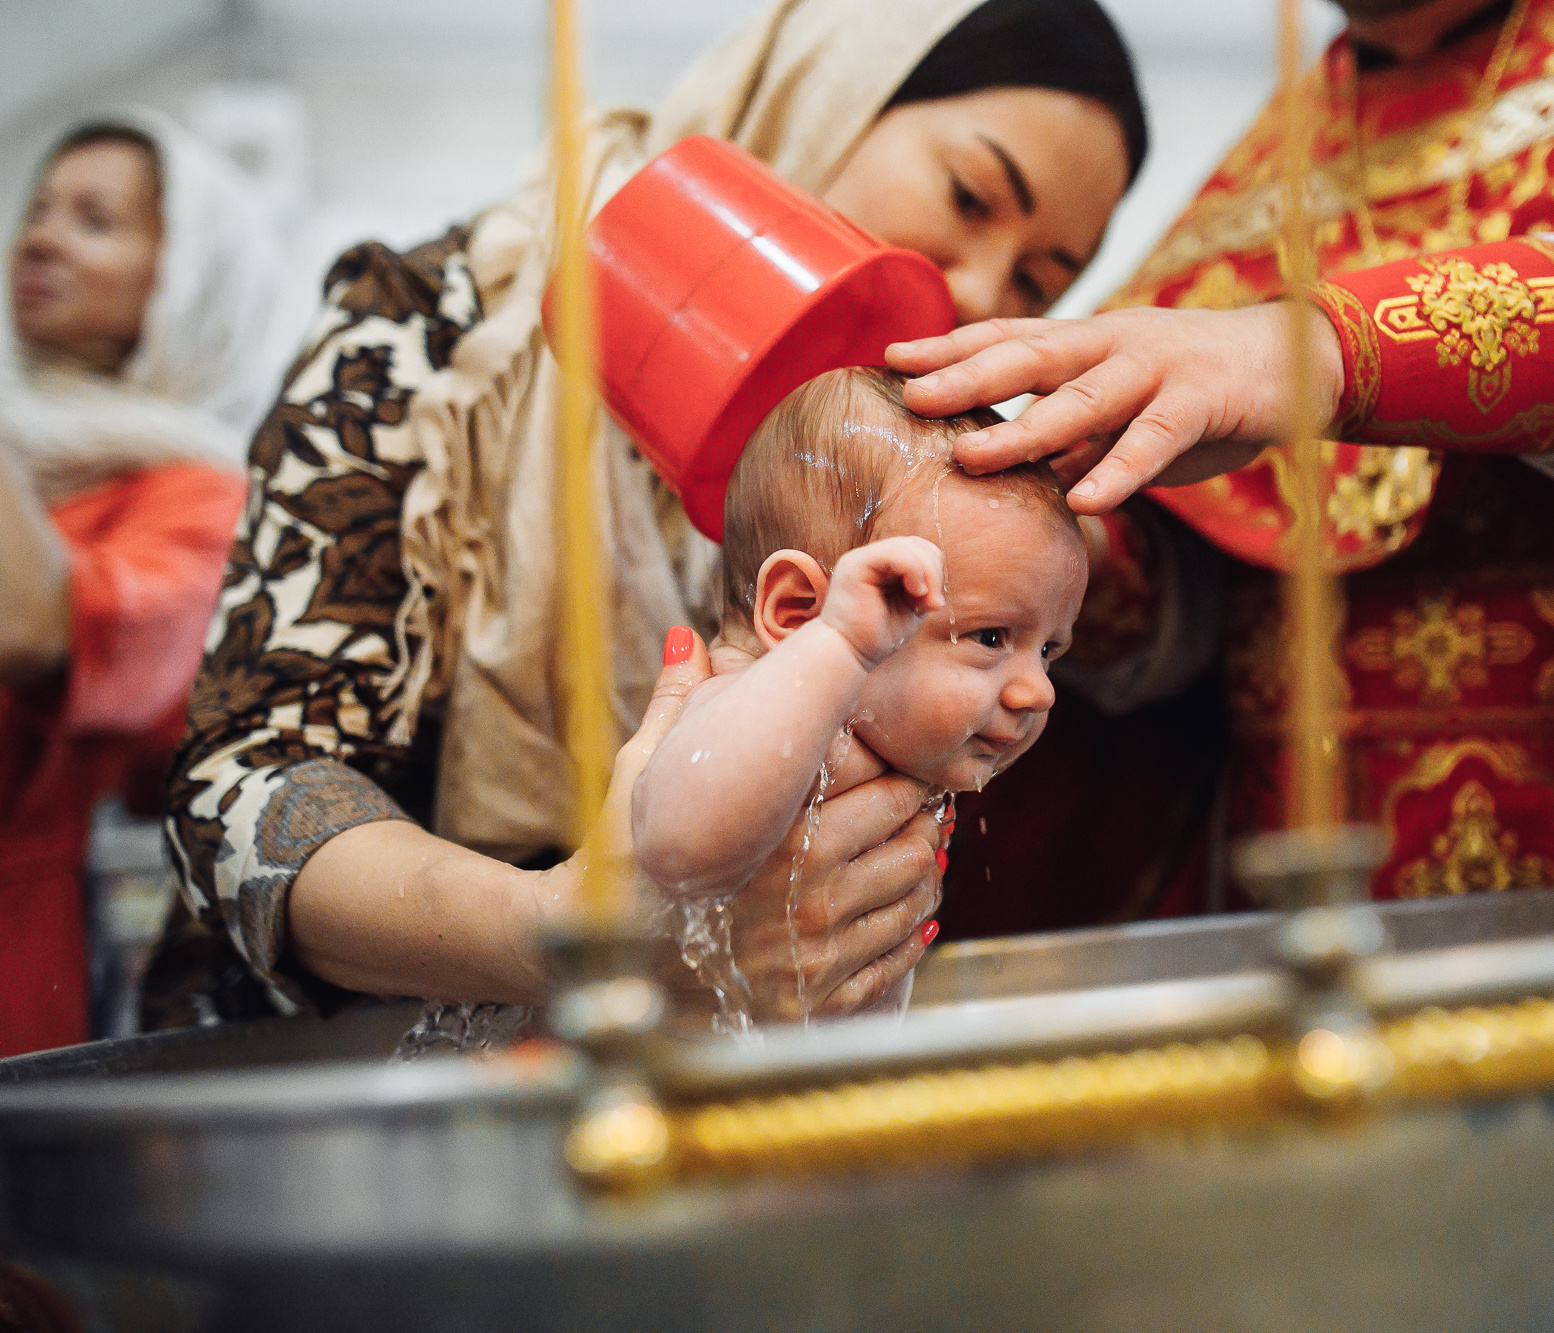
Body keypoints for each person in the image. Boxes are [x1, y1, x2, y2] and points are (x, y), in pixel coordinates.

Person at [149, 0, 1148, 1028]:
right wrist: (576, 932)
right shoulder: (430, 333)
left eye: (1038, 279)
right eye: (970, 195)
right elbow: (239, 791)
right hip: (345, 1082)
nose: (978, 285)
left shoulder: (914, 465)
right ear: (820, 88)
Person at [892, 0, 1554, 899]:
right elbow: (1181, 593)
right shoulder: (1276, 152)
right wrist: (1041, 523)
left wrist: (1314, 354)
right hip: (1297, 885)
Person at [0, 112, 290, 1057]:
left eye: (95, 218)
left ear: (189, 281)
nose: (38, 235)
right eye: (39, 208)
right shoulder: (24, 454)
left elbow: (33, 625)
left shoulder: (197, 499)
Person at [635, 367, 1082, 906]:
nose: (1039, 691)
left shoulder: (884, 739)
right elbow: (676, 853)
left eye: (1049, 649)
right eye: (991, 638)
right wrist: (838, 646)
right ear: (800, 614)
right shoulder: (743, 716)